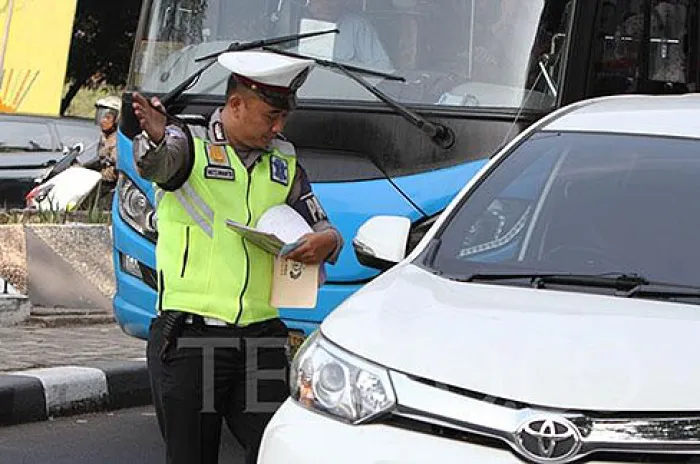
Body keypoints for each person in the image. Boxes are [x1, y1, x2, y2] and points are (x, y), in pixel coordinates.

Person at [131, 50, 343, 464]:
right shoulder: (187, 141)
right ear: (235, 105)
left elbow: (319, 221)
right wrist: (156, 137)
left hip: (261, 337)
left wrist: (328, 242)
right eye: (270, 116)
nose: (278, 127)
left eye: (284, 117)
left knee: (277, 449)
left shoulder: (284, 158)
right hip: (194, 337)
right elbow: (160, 164)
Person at [304, 0, 393, 71]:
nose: (326, 4)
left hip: (345, 89)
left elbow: (382, 67)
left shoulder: (358, 26)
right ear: (309, 3)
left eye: (331, 0)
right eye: (320, 0)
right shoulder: (293, 23)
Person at [94, 96, 121, 186]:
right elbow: (99, 161)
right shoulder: (104, 137)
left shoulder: (119, 140)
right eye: (101, 116)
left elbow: (115, 173)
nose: (103, 121)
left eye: (107, 117)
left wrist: (98, 175)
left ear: (117, 119)